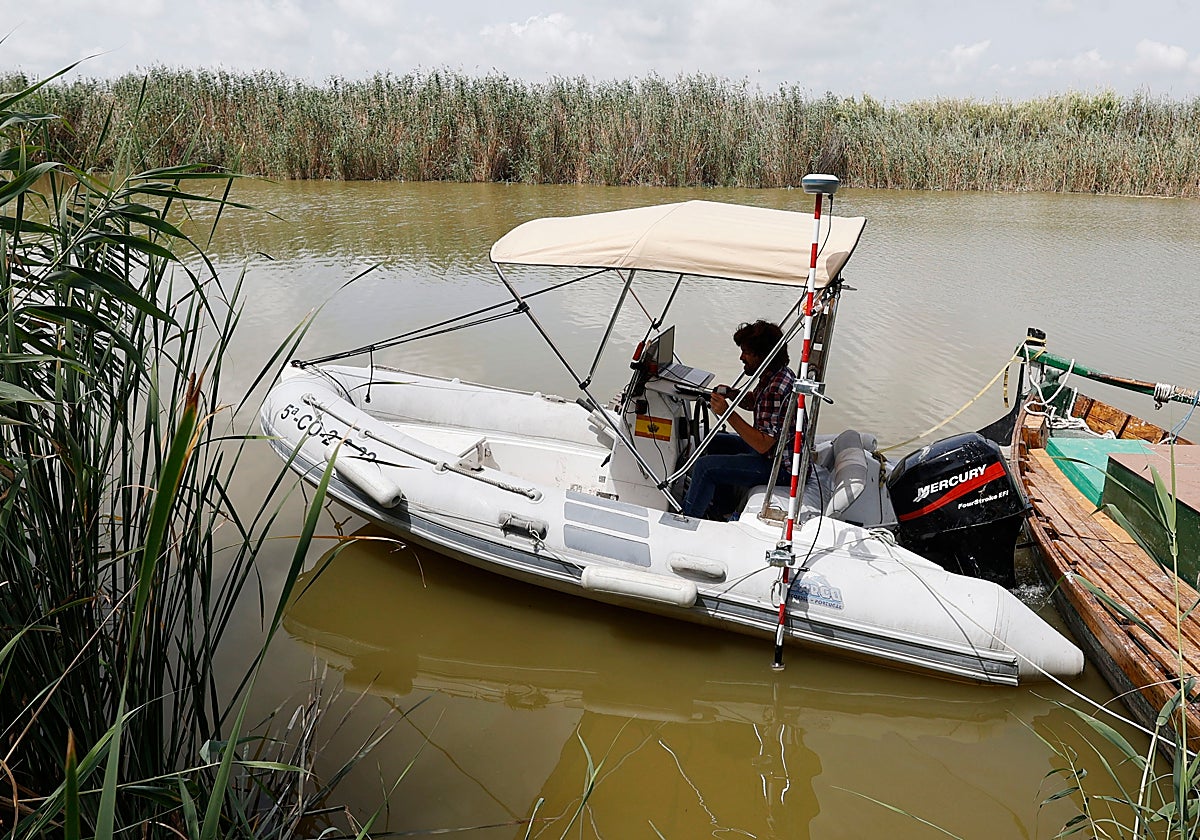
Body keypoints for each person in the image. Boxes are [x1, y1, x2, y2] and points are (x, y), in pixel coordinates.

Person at [682, 320, 796, 520]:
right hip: (772, 454)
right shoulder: (776, 374)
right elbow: (755, 402)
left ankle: (688, 519)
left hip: (780, 467)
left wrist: (727, 412)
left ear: (762, 355)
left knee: (704, 467)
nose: (741, 357)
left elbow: (762, 444)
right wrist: (732, 394)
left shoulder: (776, 389)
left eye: (746, 352)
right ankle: (721, 508)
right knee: (713, 442)